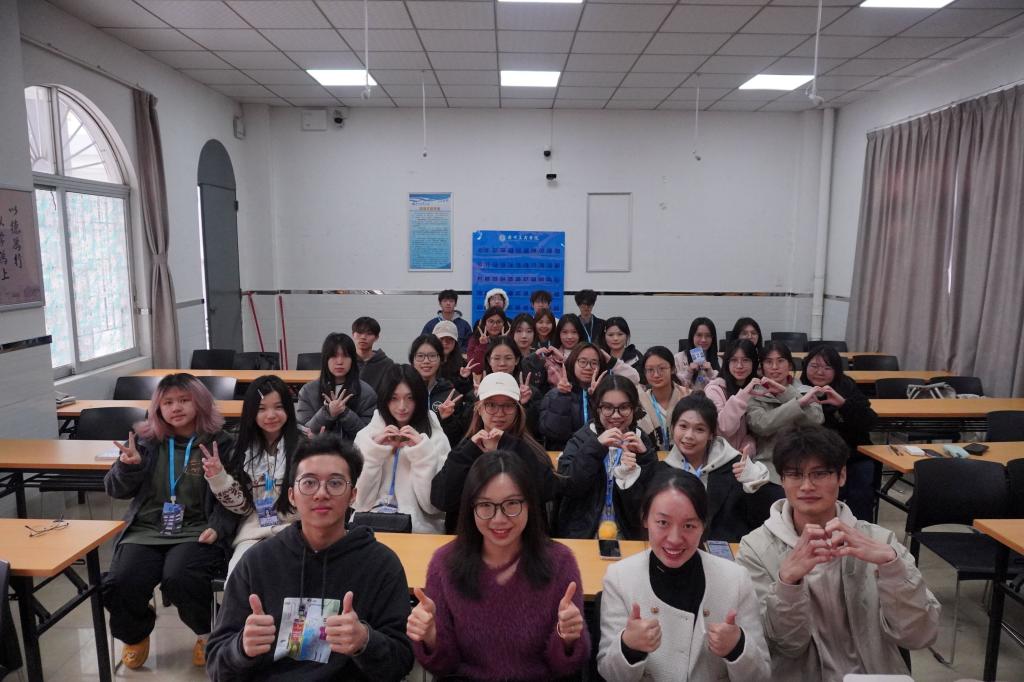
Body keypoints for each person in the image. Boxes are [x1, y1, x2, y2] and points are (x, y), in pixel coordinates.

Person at [736, 425, 940, 681]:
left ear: (842, 475)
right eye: (795, 474)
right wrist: (788, 584)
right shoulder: (755, 549)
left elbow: (918, 635)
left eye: (820, 473)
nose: (807, 486)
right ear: (782, 480)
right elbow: (785, 647)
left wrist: (894, 569)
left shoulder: (879, 541)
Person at [206, 434, 414, 681]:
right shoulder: (257, 562)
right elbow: (216, 665)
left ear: (353, 495)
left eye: (335, 483)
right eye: (309, 483)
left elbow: (402, 662)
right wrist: (241, 648)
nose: (321, 493)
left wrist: (365, 642)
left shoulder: (381, 564)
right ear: (292, 495)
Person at [408, 451, 590, 680]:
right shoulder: (444, 563)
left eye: (512, 503)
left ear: (529, 504)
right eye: (486, 505)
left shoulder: (560, 561)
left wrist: (568, 637)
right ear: (470, 508)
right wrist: (430, 637)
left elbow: (566, 667)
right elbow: (444, 667)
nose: (499, 519)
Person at [102, 373, 238, 669]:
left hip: (196, 529)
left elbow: (233, 496)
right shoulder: (145, 442)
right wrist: (128, 468)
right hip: (146, 529)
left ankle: (206, 632)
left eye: (184, 400)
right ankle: (135, 634)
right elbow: (114, 489)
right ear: (158, 408)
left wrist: (219, 527)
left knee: (180, 577)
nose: (176, 408)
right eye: (168, 402)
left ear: (200, 403)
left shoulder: (221, 443)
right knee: (121, 581)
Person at [598, 469, 771, 681]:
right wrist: (628, 647)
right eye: (663, 523)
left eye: (689, 525)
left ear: (703, 525)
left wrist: (738, 647)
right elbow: (609, 673)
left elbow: (761, 675)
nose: (674, 539)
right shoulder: (619, 578)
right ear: (645, 519)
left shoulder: (735, 579)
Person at [620, 394, 778, 543]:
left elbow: (765, 518)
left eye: (699, 429)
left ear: (711, 434)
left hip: (727, 554)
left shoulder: (737, 467)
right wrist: (629, 479)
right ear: (673, 428)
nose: (689, 435)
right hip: (675, 549)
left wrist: (755, 484)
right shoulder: (662, 471)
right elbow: (640, 521)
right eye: (683, 426)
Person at [431, 372, 563, 533]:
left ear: (517, 410)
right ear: (479, 408)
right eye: (491, 405)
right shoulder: (465, 449)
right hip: (473, 540)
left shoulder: (528, 448)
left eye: (508, 406)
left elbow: (548, 490)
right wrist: (468, 452)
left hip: (521, 539)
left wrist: (510, 444)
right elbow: (441, 500)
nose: (500, 413)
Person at [205, 375, 301, 576]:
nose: (271, 415)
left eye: (278, 407)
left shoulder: (304, 445)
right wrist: (219, 478)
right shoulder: (239, 449)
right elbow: (243, 508)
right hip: (253, 532)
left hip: (296, 528)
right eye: (261, 409)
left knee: (291, 577)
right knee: (239, 576)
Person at [554, 374, 659, 539]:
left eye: (624, 407)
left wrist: (644, 460)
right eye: (608, 408)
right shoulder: (583, 437)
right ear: (598, 408)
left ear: (634, 408)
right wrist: (596, 447)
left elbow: (650, 505)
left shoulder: (641, 442)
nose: (616, 415)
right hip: (584, 535)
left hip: (628, 535)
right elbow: (568, 485)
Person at [353, 365, 451, 533]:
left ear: (419, 399)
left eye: (410, 398)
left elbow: (433, 507)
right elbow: (360, 502)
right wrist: (374, 452)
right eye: (394, 398)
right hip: (370, 529)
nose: (402, 406)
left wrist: (422, 454)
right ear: (384, 398)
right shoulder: (366, 437)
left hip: (419, 533)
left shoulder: (436, 439)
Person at [800, 345, 879, 521]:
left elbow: (870, 422)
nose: (820, 372)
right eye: (814, 366)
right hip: (815, 457)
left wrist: (843, 404)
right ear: (805, 367)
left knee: (861, 488)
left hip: (852, 455)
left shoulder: (846, 386)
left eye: (827, 367)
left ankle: (858, 530)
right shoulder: (798, 389)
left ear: (836, 370)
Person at [746, 342, 824, 480]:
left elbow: (816, 421)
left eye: (780, 361)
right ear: (761, 368)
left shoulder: (806, 391)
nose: (775, 367)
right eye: (768, 362)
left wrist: (787, 394)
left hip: (805, 460)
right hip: (769, 464)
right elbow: (761, 426)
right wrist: (798, 404)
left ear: (790, 365)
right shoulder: (754, 394)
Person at [297, 332, 377, 442]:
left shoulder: (367, 393)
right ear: (325, 359)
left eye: (345, 356)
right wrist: (327, 413)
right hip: (318, 450)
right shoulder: (308, 391)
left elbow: (368, 435)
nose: (339, 362)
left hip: (353, 451)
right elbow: (304, 432)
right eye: (334, 356)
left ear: (353, 360)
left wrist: (345, 413)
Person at [538, 342, 608, 452]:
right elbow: (552, 432)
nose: (588, 367)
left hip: (598, 454)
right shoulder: (554, 394)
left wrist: (596, 398)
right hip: (564, 454)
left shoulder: (607, 394)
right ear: (573, 362)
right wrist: (562, 397)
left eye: (594, 363)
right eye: (582, 362)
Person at [410, 334, 470, 447]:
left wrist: (447, 419)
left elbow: (456, 440)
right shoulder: (403, 393)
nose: (426, 361)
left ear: (441, 359)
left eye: (432, 356)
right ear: (412, 360)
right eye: (420, 356)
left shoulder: (451, 395)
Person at [703, 339, 760, 454]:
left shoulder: (758, 388)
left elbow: (754, 432)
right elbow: (724, 428)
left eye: (745, 360)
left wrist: (748, 446)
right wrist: (743, 396)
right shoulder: (714, 389)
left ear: (754, 363)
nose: (739, 366)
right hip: (718, 456)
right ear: (727, 362)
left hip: (744, 458)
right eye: (734, 360)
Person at [637, 346, 691, 451]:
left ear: (673, 369)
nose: (656, 375)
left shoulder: (688, 396)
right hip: (649, 457)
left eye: (662, 368)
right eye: (650, 370)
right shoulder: (639, 402)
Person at [352, 316, 396, 393]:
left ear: (376, 337)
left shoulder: (387, 364)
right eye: (359, 332)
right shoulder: (347, 360)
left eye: (369, 334)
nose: (363, 337)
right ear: (353, 334)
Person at [675, 317, 720, 390]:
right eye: (699, 335)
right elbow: (676, 387)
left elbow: (721, 388)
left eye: (708, 336)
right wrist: (689, 372)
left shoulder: (719, 360)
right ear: (692, 336)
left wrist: (711, 374)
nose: (703, 340)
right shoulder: (678, 358)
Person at [432, 319, 475, 396]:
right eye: (441, 339)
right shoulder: (426, 363)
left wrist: (463, 379)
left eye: (450, 339)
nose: (445, 342)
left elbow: (467, 394)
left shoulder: (464, 365)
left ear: (455, 342)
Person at [466, 306, 509, 378]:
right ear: (485, 322)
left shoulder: (509, 339)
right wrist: (482, 345)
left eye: (499, 322)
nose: (495, 325)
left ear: (504, 323)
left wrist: (504, 342)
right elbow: (475, 368)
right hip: (482, 379)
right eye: (491, 321)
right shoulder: (475, 339)